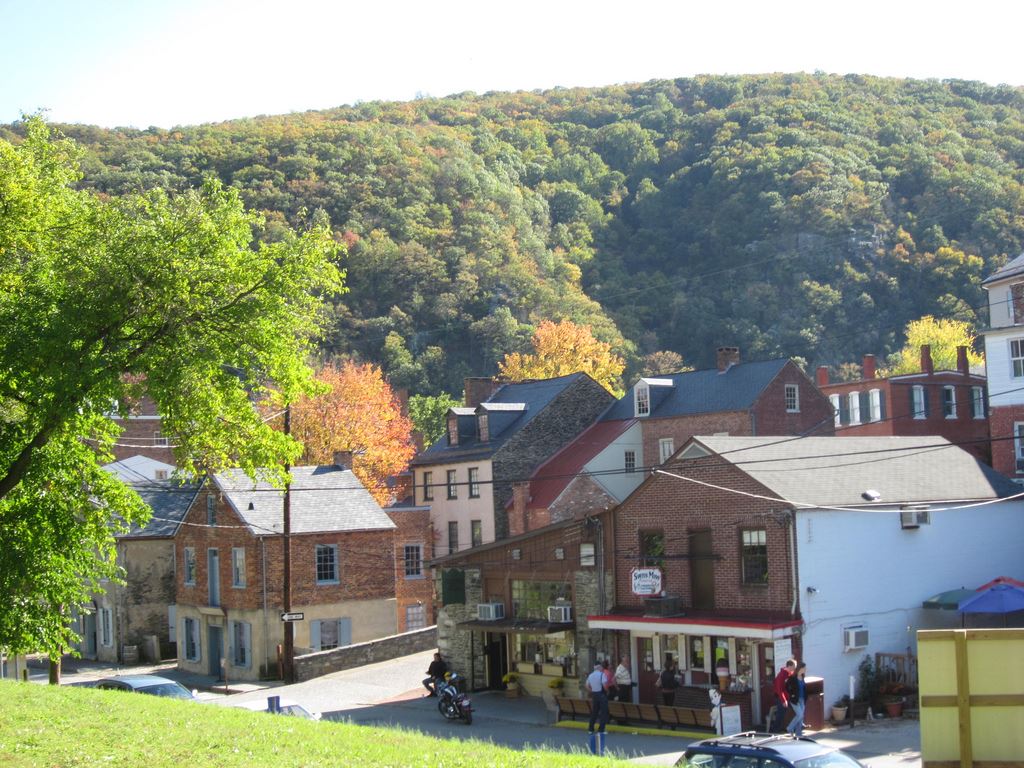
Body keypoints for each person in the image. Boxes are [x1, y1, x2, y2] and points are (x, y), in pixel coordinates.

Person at [772, 658, 796, 732]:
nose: (795, 668)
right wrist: (784, 700)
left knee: (797, 709)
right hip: (780, 697)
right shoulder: (782, 675)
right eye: (794, 666)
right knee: (781, 714)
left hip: (788, 697)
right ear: (789, 666)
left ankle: (798, 725)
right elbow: (780, 689)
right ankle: (774, 730)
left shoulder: (790, 674)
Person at [586, 661, 610, 735]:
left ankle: (590, 728)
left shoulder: (590, 675)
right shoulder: (602, 675)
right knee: (603, 712)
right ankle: (601, 729)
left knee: (595, 712)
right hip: (601, 694)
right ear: (599, 667)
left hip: (594, 694)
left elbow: (586, 686)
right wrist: (607, 691)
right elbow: (604, 686)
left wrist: (592, 691)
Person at [786, 661, 807, 737]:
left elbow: (803, 688)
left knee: (801, 717)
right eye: (804, 668)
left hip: (802, 699)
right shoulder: (792, 678)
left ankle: (799, 734)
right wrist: (792, 695)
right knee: (800, 715)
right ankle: (789, 728)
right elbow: (787, 687)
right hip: (795, 700)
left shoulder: (803, 677)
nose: (805, 670)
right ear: (800, 668)